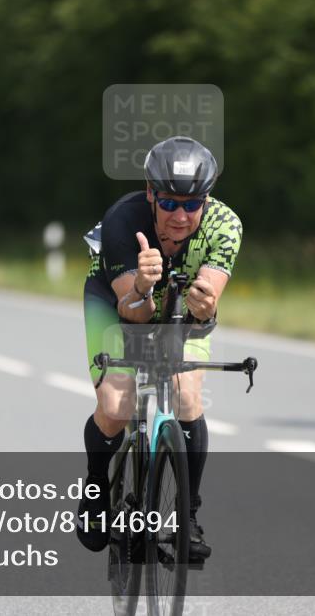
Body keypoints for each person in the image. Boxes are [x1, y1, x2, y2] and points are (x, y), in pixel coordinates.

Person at [79, 136, 242, 561]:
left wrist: (204, 307)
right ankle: (96, 488)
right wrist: (142, 285)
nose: (181, 216)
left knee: (187, 395)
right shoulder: (122, 221)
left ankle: (186, 516)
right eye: (169, 203)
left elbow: (207, 301)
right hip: (119, 300)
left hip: (181, 307)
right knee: (117, 402)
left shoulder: (226, 226)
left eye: (193, 204)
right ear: (151, 194)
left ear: (208, 199)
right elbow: (133, 314)